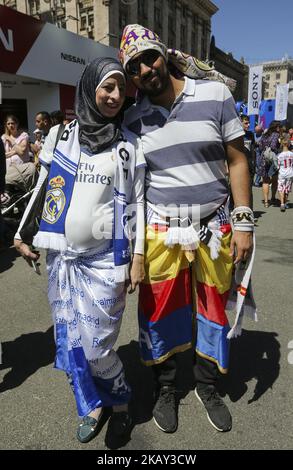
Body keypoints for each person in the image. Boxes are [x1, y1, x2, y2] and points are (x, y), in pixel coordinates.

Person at [119, 24, 254, 434]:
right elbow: (136, 189)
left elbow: (237, 160)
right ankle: (165, 388)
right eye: (135, 66)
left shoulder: (214, 95)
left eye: (149, 57)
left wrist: (244, 221)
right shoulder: (134, 119)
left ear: (163, 53)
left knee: (213, 309)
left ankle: (206, 384)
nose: (145, 69)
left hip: (215, 226)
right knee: (160, 312)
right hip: (162, 232)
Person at [14, 57, 145, 443]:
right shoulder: (61, 135)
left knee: (96, 346)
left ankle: (120, 399)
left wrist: (137, 258)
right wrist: (23, 233)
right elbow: (42, 188)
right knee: (72, 342)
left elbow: (136, 203)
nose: (116, 96)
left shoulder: (128, 146)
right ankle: (91, 405)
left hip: (106, 262)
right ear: (90, 87)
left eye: (121, 88)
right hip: (63, 259)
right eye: (108, 87)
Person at [1, 115, 36, 192]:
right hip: (9, 172)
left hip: (23, 171)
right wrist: (15, 151)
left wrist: (10, 139)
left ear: (17, 124)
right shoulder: (3, 138)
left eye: (12, 123)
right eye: (8, 124)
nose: (11, 125)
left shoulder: (23, 135)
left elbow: (21, 152)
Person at [258, 120, 281, 208]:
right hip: (272, 159)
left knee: (265, 181)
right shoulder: (276, 135)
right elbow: (273, 147)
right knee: (274, 180)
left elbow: (260, 145)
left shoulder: (265, 134)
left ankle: (266, 202)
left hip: (263, 159)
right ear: (277, 127)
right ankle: (273, 198)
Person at [240, 115, 255, 207]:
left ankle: (250, 211)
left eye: (249, 123)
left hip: (249, 165)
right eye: (246, 123)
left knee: (249, 189)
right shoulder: (236, 135)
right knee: (237, 188)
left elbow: (252, 149)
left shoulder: (250, 134)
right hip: (239, 165)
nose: (248, 125)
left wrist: (253, 163)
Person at [276, 134, 293, 212]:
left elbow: (278, 166)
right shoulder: (291, 154)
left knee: (281, 188)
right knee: (287, 188)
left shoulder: (279, 155)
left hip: (282, 173)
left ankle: (282, 203)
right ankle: (285, 202)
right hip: (290, 173)